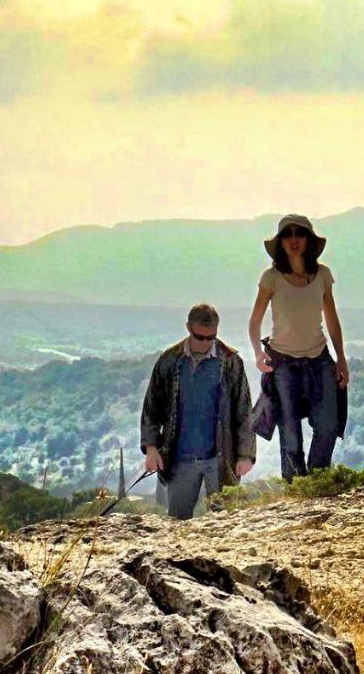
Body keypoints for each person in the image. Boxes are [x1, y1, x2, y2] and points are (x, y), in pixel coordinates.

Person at [247, 214, 349, 481]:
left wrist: (341, 359)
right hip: (283, 364)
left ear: (309, 240)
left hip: (319, 359)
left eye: (299, 233)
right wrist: (258, 354)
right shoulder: (271, 278)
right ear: (281, 242)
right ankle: (296, 493)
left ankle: (315, 485)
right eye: (287, 234)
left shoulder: (322, 275)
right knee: (290, 436)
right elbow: (255, 320)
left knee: (328, 427)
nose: (294, 240)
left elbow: (332, 319)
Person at [140, 303, 255, 519]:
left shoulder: (231, 361)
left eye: (210, 337)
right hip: (180, 458)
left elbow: (244, 411)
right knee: (176, 522)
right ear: (188, 328)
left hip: (221, 459)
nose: (205, 342)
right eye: (199, 337)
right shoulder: (169, 361)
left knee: (225, 523)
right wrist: (151, 448)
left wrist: (246, 455)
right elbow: (151, 407)